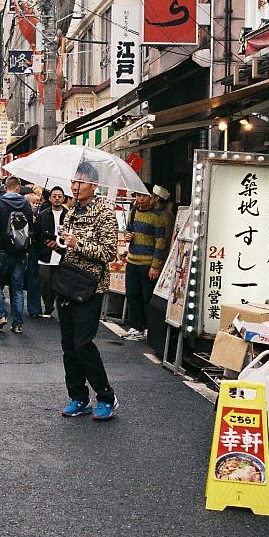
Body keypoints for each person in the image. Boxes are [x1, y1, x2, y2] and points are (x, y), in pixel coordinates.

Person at [54, 164, 120, 421]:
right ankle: (78, 397)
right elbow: (69, 250)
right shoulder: (71, 212)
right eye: (73, 181)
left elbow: (108, 253)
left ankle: (106, 396)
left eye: (80, 182)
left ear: (94, 185)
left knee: (83, 344)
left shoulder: (105, 213)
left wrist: (77, 243)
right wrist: (60, 243)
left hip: (91, 287)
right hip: (68, 284)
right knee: (68, 346)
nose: (74, 186)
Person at [0, 175, 34, 335]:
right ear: (18, 188)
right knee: (17, 287)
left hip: (2, 249)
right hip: (20, 250)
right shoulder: (26, 204)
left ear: (6, 187)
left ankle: (0, 315)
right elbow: (30, 229)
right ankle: (18, 324)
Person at [122, 185, 170, 342]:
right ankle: (136, 326)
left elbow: (160, 243)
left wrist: (155, 266)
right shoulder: (133, 213)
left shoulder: (157, 218)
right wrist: (128, 236)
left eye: (144, 195)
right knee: (132, 294)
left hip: (147, 265)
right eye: (138, 195)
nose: (140, 198)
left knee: (146, 297)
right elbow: (128, 232)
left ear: (152, 197)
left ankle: (148, 328)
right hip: (132, 261)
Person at [36, 187, 69, 317]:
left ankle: (62, 309)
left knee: (61, 284)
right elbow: (39, 234)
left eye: (59, 196)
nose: (57, 199)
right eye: (54, 196)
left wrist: (60, 244)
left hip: (63, 253)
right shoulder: (43, 214)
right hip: (46, 253)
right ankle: (48, 306)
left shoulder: (69, 215)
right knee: (45, 282)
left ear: (64, 198)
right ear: (49, 198)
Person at [23, 189, 46, 318]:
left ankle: (35, 309)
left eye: (38, 202)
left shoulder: (40, 216)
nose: (36, 205)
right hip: (23, 250)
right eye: (33, 202)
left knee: (34, 279)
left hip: (35, 251)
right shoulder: (22, 215)